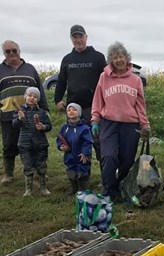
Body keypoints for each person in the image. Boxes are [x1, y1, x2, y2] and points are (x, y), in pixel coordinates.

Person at [91, 41, 150, 202]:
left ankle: (122, 185)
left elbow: (140, 104)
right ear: (111, 60)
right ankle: (109, 190)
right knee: (109, 156)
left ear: (127, 58)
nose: (118, 60)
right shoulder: (104, 77)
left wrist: (145, 124)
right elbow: (98, 100)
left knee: (127, 158)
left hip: (130, 125)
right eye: (115, 57)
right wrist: (95, 120)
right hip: (108, 123)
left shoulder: (135, 80)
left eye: (121, 56)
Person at [0, 40, 48, 185]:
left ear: (19, 51)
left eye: (14, 50)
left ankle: (34, 173)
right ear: (4, 54)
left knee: (32, 145)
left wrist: (45, 110)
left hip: (30, 116)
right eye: (8, 51)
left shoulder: (30, 69)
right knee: (9, 145)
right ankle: (8, 174)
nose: (12, 53)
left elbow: (40, 90)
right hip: (8, 115)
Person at [54, 24, 106, 164]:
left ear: (86, 37)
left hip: (94, 109)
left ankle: (105, 176)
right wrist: (58, 99)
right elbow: (61, 81)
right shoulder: (67, 59)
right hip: (74, 109)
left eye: (80, 36)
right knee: (76, 143)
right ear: (71, 39)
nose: (78, 40)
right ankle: (81, 174)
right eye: (75, 37)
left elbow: (107, 80)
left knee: (98, 142)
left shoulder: (98, 57)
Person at [12, 87, 53, 196]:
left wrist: (43, 127)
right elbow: (15, 125)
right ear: (25, 97)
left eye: (35, 97)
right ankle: (28, 190)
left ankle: (43, 188)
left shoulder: (42, 113)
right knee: (28, 166)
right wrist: (19, 119)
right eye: (30, 95)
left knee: (41, 166)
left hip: (40, 144)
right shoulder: (19, 111)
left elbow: (49, 126)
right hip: (25, 144)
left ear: (38, 99)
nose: (32, 98)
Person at [57, 103, 93, 194]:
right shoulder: (64, 128)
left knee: (82, 171)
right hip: (69, 155)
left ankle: (82, 188)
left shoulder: (84, 128)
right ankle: (74, 187)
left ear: (79, 113)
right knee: (71, 170)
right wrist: (61, 146)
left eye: (74, 110)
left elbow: (88, 141)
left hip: (82, 155)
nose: (71, 112)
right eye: (69, 110)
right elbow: (59, 139)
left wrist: (85, 152)